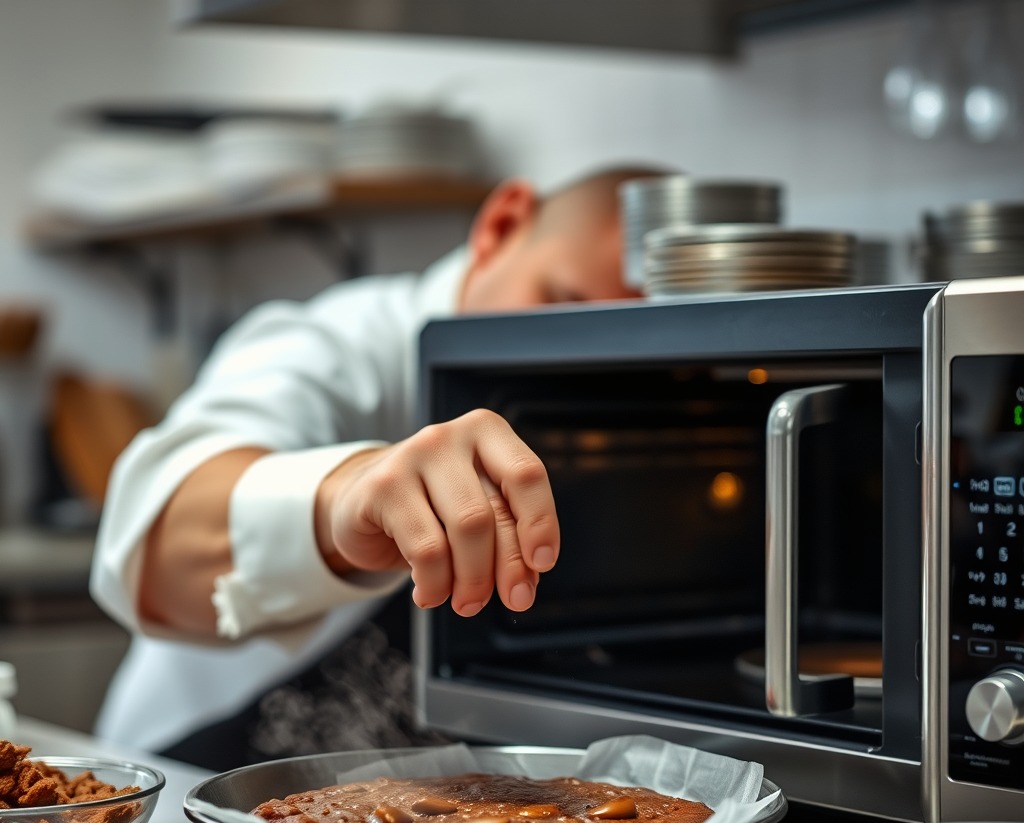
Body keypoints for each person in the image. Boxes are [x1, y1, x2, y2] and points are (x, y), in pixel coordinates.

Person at [89, 164, 666, 770]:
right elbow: (152, 538)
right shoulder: (341, 345)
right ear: (502, 225)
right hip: (188, 789)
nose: (581, 380)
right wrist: (348, 495)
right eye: (562, 303)